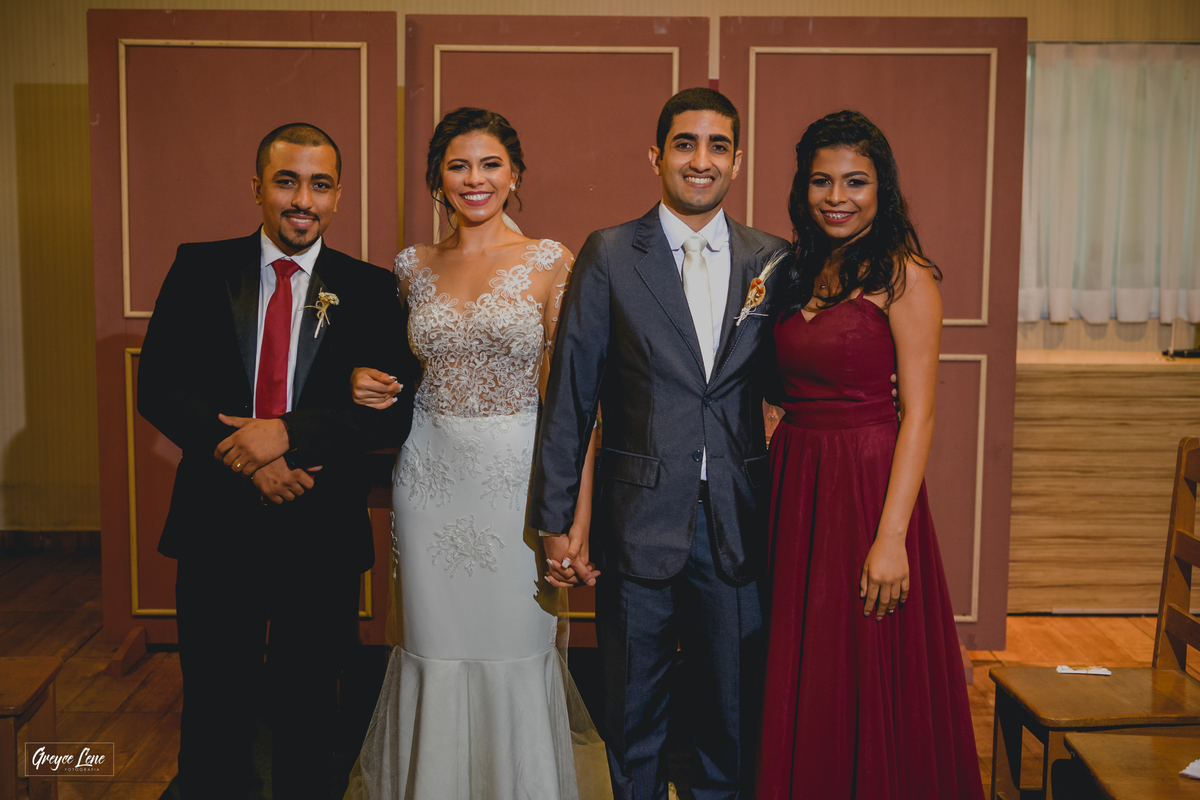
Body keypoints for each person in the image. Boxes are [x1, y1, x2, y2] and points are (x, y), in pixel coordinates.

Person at [137, 122, 417, 799]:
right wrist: (249, 458)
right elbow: (160, 387)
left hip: (319, 528)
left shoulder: (371, 288)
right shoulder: (198, 268)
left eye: (320, 185)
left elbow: (393, 410)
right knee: (214, 703)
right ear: (257, 187)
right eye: (287, 181)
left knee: (311, 709)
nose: (303, 200)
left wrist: (286, 434)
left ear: (338, 195)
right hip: (215, 524)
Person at [528, 87, 789, 799]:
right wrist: (556, 520)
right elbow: (572, 395)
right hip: (635, 522)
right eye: (684, 144)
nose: (701, 160)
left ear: (737, 160)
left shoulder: (773, 260)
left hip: (737, 522)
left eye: (717, 146)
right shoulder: (611, 253)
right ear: (656, 156)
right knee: (632, 714)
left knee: (730, 718)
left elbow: (794, 375)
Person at [343, 107, 609, 800]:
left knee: (514, 647)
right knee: (431, 647)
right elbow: (389, 369)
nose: (475, 179)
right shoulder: (411, 267)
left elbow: (576, 405)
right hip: (428, 481)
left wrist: (574, 520)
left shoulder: (551, 262)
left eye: (491, 164)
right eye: (458, 165)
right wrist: (359, 378)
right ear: (438, 179)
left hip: (516, 486)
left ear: (515, 174)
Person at [756, 110, 983, 799]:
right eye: (822, 181)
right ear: (803, 187)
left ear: (882, 188)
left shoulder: (906, 276)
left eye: (855, 181)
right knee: (805, 656)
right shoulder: (797, 270)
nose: (837, 197)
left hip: (866, 485)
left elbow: (920, 414)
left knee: (862, 653)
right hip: (795, 481)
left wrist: (891, 539)